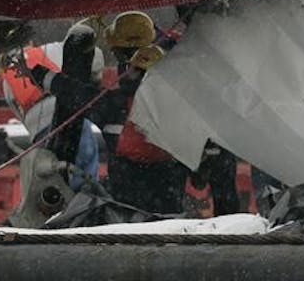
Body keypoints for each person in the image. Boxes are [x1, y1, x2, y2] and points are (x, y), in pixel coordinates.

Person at [29, 12, 188, 215]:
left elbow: (79, 96)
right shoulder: (177, 102)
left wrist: (43, 76)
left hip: (130, 214)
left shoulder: (118, 107)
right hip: (170, 209)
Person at [2, 33, 104, 190]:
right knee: (87, 175)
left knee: (56, 184)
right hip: (71, 115)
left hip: (41, 133)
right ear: (30, 42)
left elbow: (20, 113)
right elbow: (93, 58)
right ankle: (89, 204)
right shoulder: (50, 50)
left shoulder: (7, 81)